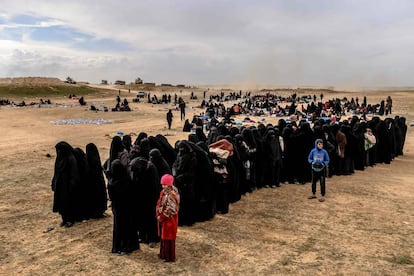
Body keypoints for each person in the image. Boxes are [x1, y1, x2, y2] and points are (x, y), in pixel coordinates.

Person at [156, 174, 180, 262]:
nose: (163, 186)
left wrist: (162, 216)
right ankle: (163, 254)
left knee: (168, 238)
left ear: (169, 184)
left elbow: (172, 209)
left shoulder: (172, 194)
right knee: (164, 237)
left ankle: (169, 256)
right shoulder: (164, 192)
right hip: (165, 219)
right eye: (162, 184)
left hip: (169, 220)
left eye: (165, 184)